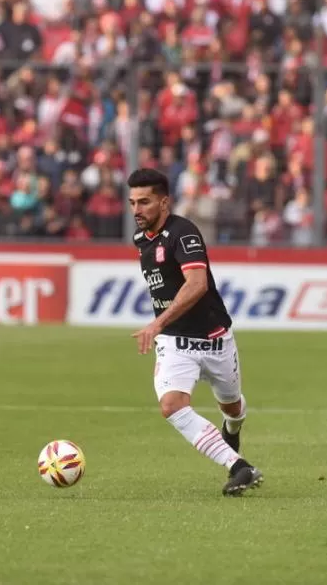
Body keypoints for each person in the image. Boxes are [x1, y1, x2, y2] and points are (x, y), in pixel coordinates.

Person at [127, 168, 263, 496]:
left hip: (215, 339)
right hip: (175, 342)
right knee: (171, 405)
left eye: (144, 202)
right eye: (132, 203)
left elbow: (198, 284)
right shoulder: (140, 239)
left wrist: (157, 321)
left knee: (231, 407)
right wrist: (164, 327)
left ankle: (232, 429)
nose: (136, 210)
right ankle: (239, 467)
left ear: (164, 202)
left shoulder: (184, 233)